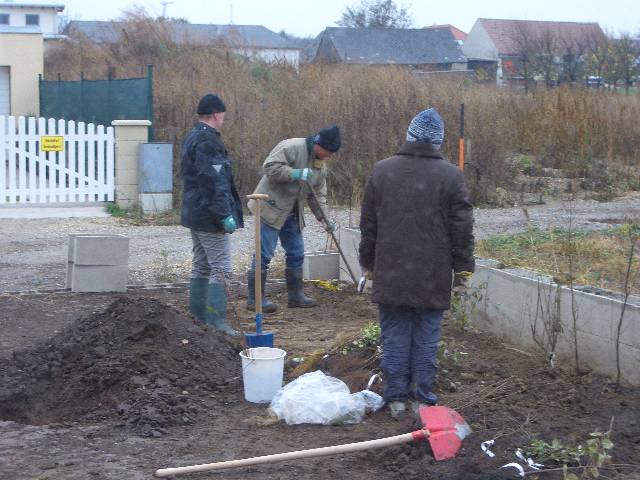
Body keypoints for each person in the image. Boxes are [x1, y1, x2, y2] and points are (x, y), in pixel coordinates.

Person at [358, 108, 474, 418]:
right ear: (438, 142)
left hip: (391, 272)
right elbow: (462, 228)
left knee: (394, 335)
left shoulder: (382, 171)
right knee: (426, 338)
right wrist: (463, 270)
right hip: (432, 276)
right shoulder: (451, 176)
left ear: (409, 135)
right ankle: (423, 400)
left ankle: (396, 399)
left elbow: (368, 224)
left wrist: (368, 264)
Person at [246, 126, 341, 313]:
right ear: (319, 144)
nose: (329, 156)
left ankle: (296, 296)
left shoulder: (320, 164)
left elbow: (318, 195)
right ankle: (255, 299)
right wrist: (293, 173)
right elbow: (270, 167)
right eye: (328, 152)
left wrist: (324, 219)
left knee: (297, 253)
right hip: (269, 206)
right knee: (264, 254)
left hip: (292, 211)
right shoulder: (291, 147)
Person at [180, 93, 244, 336]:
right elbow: (213, 182)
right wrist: (224, 215)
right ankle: (217, 322)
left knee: (202, 266)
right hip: (208, 217)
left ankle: (198, 318)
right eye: (223, 116)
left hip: (194, 213)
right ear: (217, 114)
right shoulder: (209, 142)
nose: (223, 119)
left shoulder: (191, 137)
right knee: (221, 269)